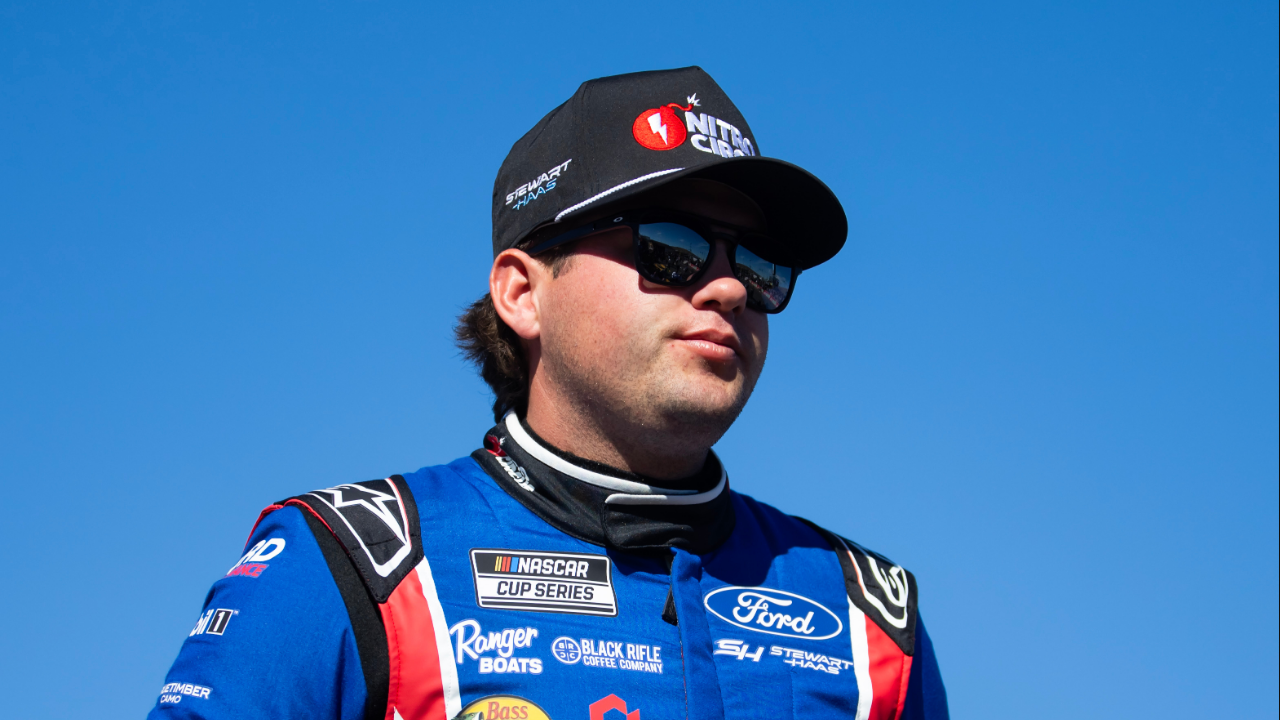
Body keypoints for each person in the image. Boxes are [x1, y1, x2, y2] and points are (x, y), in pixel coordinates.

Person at [149, 66, 948, 720]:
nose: (731, 289)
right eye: (671, 246)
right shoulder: (350, 564)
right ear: (523, 293)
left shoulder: (871, 621)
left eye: (759, 264)